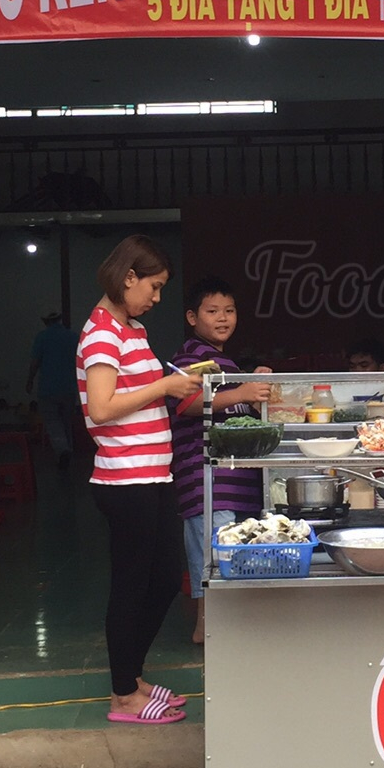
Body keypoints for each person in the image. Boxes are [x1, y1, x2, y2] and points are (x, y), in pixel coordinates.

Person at [77, 236, 203, 724]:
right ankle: (123, 694)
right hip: (125, 480)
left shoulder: (132, 329)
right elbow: (101, 407)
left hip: (152, 474)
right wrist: (164, 385)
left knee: (166, 578)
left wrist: (172, 384)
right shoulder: (101, 334)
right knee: (132, 585)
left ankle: (131, 677)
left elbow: (134, 390)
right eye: (154, 286)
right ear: (129, 277)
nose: (156, 297)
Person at [170, 277, 274, 646]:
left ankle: (219, 632)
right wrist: (242, 391)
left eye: (229, 310)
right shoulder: (192, 356)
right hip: (208, 485)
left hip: (236, 485)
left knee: (231, 560)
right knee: (214, 563)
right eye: (212, 311)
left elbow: (238, 409)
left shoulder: (225, 363)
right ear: (192, 317)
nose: (223, 318)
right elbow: (186, 403)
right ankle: (208, 631)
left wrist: (253, 386)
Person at [26, 311, 78, 469]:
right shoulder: (73, 337)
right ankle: (69, 452)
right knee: (66, 421)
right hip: (69, 387)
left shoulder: (42, 338)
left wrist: (29, 381)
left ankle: (62, 450)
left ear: (45, 321)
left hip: (48, 389)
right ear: (59, 319)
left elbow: (35, 362)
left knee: (53, 422)